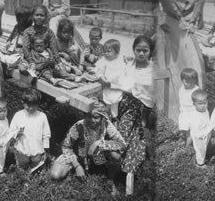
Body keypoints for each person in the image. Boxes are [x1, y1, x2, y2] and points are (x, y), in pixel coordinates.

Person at [49, 101, 126, 196]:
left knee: (116, 155)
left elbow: (122, 144)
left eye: (96, 117)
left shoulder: (106, 124)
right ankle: (80, 168)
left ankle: (111, 180)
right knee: (55, 174)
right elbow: (66, 146)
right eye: (89, 116)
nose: (92, 120)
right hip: (78, 157)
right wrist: (77, 166)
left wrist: (99, 143)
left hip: (97, 157)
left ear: (102, 117)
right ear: (85, 115)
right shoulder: (79, 126)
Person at [117, 35, 156, 196]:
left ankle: (129, 170)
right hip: (124, 103)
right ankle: (119, 166)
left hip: (138, 105)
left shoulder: (151, 69)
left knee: (133, 136)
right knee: (123, 133)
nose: (141, 53)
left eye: (145, 51)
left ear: (150, 52)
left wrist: (135, 90)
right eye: (138, 50)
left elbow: (148, 92)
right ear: (133, 50)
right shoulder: (129, 64)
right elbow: (121, 81)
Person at [9, 88, 51, 170]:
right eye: (28, 105)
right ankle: (22, 169)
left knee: (36, 163)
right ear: (23, 103)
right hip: (22, 147)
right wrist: (16, 134)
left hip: (36, 147)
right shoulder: (18, 115)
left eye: (34, 105)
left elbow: (46, 134)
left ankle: (35, 168)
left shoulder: (42, 116)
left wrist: (46, 148)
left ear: (38, 104)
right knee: (22, 163)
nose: (31, 108)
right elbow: (11, 131)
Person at [95, 39, 128, 119]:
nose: (106, 53)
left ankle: (114, 118)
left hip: (116, 86)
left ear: (116, 52)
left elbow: (124, 72)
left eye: (108, 51)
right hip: (108, 85)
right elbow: (100, 71)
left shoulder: (119, 61)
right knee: (107, 100)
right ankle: (106, 116)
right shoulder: (104, 61)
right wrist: (102, 77)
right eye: (104, 51)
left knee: (115, 103)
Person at [0, 5, 32, 72]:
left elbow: (28, 47)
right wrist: (9, 41)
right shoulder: (17, 26)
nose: (16, 19)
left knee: (12, 60)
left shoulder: (30, 30)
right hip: (11, 50)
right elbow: (11, 37)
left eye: (19, 18)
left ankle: (8, 64)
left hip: (20, 53)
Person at [189, 89, 213, 168]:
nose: (203, 105)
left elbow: (207, 120)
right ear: (194, 104)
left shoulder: (205, 111)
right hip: (199, 136)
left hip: (205, 133)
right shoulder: (195, 117)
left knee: (204, 147)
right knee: (200, 149)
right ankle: (200, 164)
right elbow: (196, 130)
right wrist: (201, 136)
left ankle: (202, 157)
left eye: (205, 103)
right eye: (200, 104)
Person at [177, 68, 200, 148]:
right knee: (184, 129)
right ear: (182, 80)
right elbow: (181, 100)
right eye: (187, 81)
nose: (190, 84)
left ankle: (187, 147)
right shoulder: (182, 88)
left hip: (192, 113)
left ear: (195, 80)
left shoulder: (196, 90)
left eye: (192, 81)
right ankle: (185, 139)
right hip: (184, 112)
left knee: (190, 133)